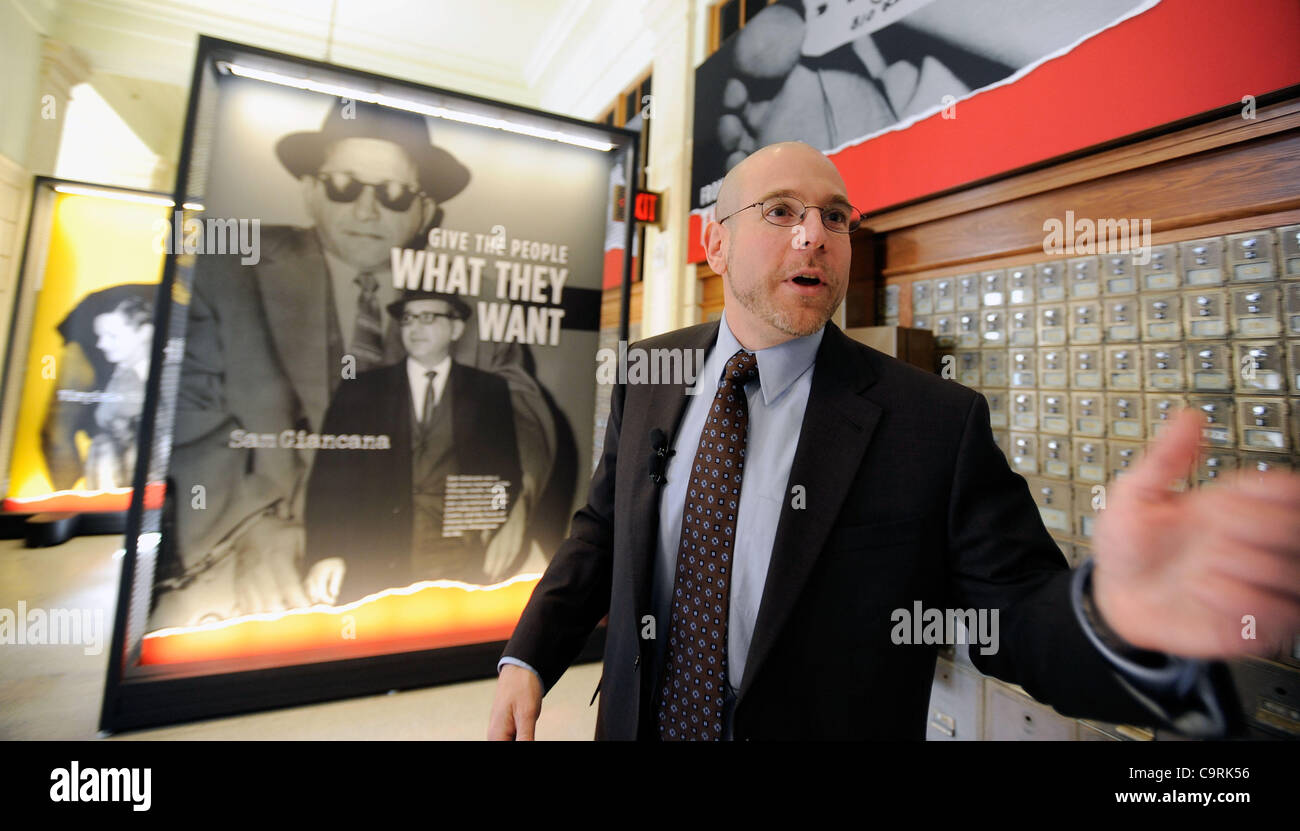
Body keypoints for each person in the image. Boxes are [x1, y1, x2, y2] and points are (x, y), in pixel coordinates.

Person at [488, 141, 1300, 740]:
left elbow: (1011, 616)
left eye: (834, 217)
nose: (814, 235)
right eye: (781, 212)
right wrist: (529, 655)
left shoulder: (933, 423)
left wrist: (1117, 617)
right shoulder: (649, 374)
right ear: (715, 241)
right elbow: (601, 529)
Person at [152, 101, 554, 628]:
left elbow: (518, 398)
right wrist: (247, 530)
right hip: (258, 536)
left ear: (424, 212)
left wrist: (516, 495)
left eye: (393, 195)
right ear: (311, 192)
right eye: (344, 185)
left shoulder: (470, 298)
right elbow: (187, 408)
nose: (367, 212)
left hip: (433, 540)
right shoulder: (229, 269)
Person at [302, 290, 523, 604]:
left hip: (457, 559)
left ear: (456, 329)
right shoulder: (360, 391)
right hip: (374, 553)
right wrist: (326, 551)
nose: (415, 328)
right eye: (407, 319)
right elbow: (328, 478)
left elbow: (505, 470)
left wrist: (482, 528)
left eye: (428, 317)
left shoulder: (488, 391)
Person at [40, 284, 157, 492]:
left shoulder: (101, 303)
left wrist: (75, 511)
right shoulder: (103, 306)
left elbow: (56, 432)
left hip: (114, 488)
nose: (104, 344)